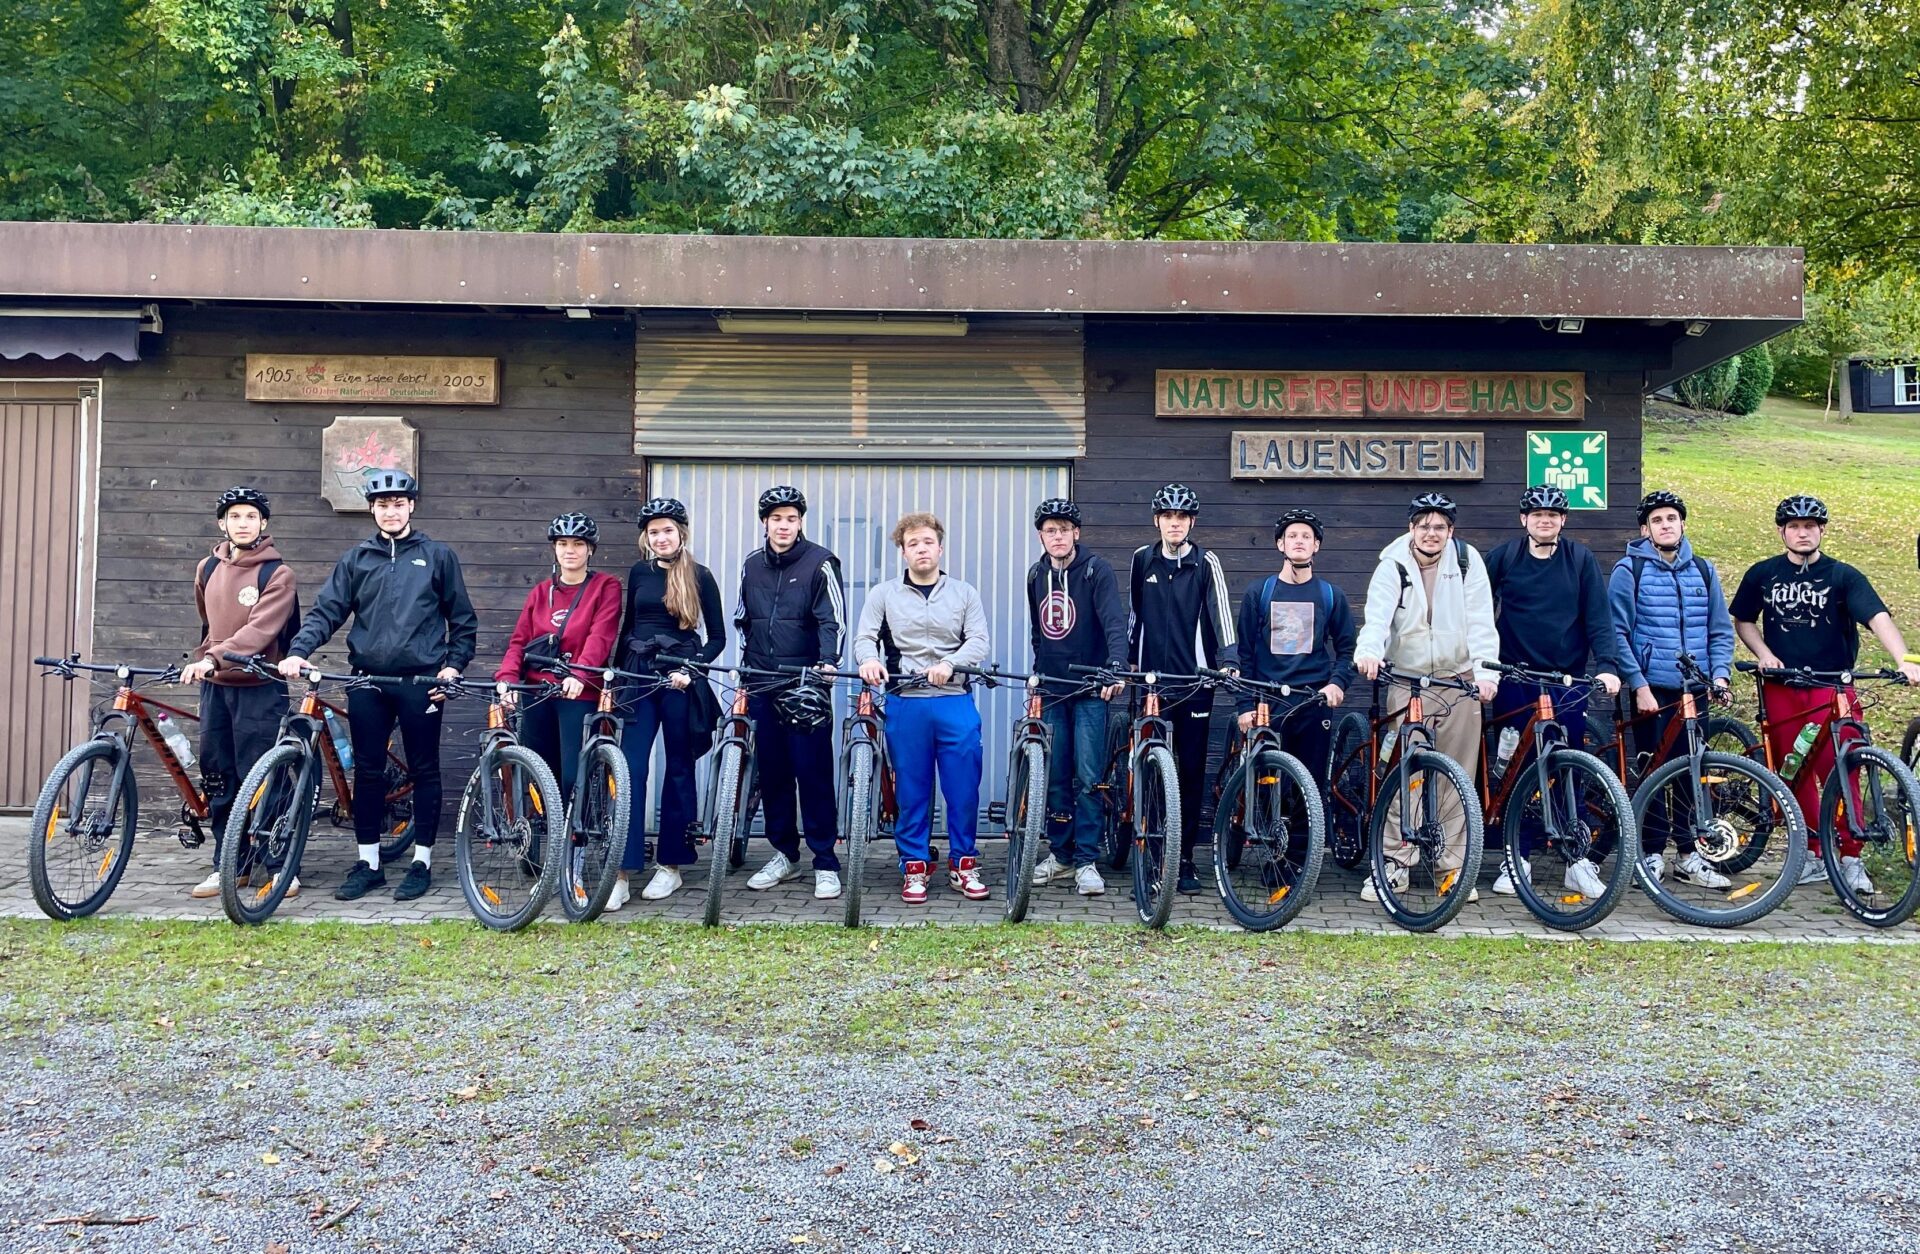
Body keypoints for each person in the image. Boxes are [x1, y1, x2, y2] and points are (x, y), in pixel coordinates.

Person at [280, 468, 477, 902]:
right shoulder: (356, 559)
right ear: (372, 509)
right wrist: (299, 651)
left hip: (420, 680)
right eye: (383, 504)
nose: (391, 511)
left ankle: (422, 861)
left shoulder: (437, 555)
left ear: (411, 506)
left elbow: (462, 620)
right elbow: (326, 611)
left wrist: (453, 666)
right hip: (368, 679)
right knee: (368, 772)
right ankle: (368, 862)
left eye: (399, 503)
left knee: (424, 768)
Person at [1730, 495, 1920, 891]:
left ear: (1821, 531)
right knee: (1794, 771)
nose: (1803, 532)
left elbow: (1876, 616)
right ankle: (1815, 853)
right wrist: (1765, 655)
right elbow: (1743, 619)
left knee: (1844, 768)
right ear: (1782, 531)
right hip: (1783, 688)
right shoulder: (1763, 574)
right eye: (1795, 526)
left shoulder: (1843, 575)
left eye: (1811, 526)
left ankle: (1850, 857)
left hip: (1833, 688)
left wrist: (1905, 658)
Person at [1352, 491, 1499, 904]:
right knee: (1405, 773)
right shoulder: (1392, 565)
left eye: (1440, 527)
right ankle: (1395, 861)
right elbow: (1377, 616)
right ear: (1411, 528)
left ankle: (1452, 866)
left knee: (1458, 774)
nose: (1431, 533)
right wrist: (1369, 652)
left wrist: (1486, 674)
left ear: (1450, 532)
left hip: (1459, 680)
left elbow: (1481, 622)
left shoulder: (1468, 562)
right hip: (1407, 679)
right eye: (1424, 526)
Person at [1481, 485, 1624, 900]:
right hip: (1515, 680)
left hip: (1566, 683)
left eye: (1553, 515)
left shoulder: (1580, 560)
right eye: (1537, 514)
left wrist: (1609, 668)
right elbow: (1476, 611)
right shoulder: (1504, 558)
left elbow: (1599, 618)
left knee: (1567, 770)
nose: (1545, 520)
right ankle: (1516, 857)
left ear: (1563, 521)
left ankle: (1575, 861)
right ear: (1523, 520)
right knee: (1515, 769)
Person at [853, 512, 991, 903]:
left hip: (954, 702)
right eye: (913, 544)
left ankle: (964, 862)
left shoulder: (964, 593)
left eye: (927, 542)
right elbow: (864, 637)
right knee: (912, 790)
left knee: (963, 790)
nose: (921, 549)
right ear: (903, 551)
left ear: (940, 547)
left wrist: (950, 664)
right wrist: (869, 660)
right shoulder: (883, 595)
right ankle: (914, 865)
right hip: (906, 703)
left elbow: (979, 639)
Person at [1606, 489, 1737, 889]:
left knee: (1691, 771)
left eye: (1672, 518)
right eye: (1657, 520)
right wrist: (1638, 685)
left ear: (1682, 524)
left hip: (1694, 689)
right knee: (1651, 772)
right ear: (1645, 529)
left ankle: (1689, 855)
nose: (1665, 525)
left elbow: (1720, 629)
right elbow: (1618, 633)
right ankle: (1648, 853)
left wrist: (1720, 676)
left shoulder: (1703, 569)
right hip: (1653, 689)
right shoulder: (1629, 570)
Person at [179, 486, 298, 899]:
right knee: (219, 776)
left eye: (250, 516)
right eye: (234, 516)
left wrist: (214, 658)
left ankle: (280, 865)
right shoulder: (207, 568)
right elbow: (209, 622)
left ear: (263, 523)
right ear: (222, 523)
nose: (242, 523)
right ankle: (230, 862)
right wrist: (211, 661)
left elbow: (260, 630)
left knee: (264, 775)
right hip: (217, 689)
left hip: (260, 688)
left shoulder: (277, 573)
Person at [736, 485, 847, 900]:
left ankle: (825, 861)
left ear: (800, 522)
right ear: (765, 522)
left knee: (812, 774)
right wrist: (745, 671)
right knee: (775, 773)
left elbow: (832, 620)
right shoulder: (751, 565)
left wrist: (828, 663)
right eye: (777, 518)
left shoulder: (821, 562)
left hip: (805, 684)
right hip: (762, 680)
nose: (784, 526)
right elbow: (744, 619)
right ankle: (785, 853)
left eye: (792, 518)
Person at [494, 512, 622, 869]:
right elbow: (520, 640)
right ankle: (539, 853)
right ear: (554, 548)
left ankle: (574, 857)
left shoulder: (605, 587)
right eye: (563, 544)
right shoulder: (541, 592)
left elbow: (601, 634)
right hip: (538, 692)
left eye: (578, 544)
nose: (570, 550)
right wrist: (506, 677)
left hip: (576, 694)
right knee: (537, 773)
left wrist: (580, 672)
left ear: (590, 550)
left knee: (571, 776)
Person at [1129, 484, 1239, 894]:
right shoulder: (1142, 559)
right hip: (1153, 683)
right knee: (1153, 769)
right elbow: (1135, 617)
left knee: (1190, 772)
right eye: (1167, 517)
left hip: (1195, 683)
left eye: (1182, 518)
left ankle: (1184, 857)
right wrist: (1129, 662)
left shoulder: (1206, 562)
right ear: (1157, 520)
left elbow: (1222, 612)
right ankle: (1153, 851)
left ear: (1191, 522)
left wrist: (1228, 661)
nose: (1174, 524)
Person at [615, 498, 726, 906]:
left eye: (668, 530)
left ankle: (671, 865)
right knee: (630, 767)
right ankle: (622, 870)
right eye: (654, 532)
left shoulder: (700, 576)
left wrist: (692, 669)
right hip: (640, 675)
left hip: (680, 676)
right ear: (647, 537)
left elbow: (717, 637)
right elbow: (629, 624)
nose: (661, 538)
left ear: (681, 533)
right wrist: (615, 675)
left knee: (678, 768)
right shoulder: (639, 572)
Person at [1025, 499, 1129, 897]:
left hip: (1089, 689)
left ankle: (1086, 859)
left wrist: (1115, 666)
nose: (1058, 536)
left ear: (1076, 534)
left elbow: (1114, 622)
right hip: (1052, 689)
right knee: (1056, 776)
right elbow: (1039, 632)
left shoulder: (1094, 570)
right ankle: (1061, 855)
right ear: (1041, 536)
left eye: (1064, 529)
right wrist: (1037, 674)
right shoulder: (1035, 574)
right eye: (1050, 530)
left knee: (1089, 777)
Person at [1233, 509, 1356, 792]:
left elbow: (1348, 649)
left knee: (1309, 789)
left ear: (1316, 545)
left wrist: (1337, 683)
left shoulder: (1331, 595)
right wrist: (1244, 706)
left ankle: (1305, 838)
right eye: (1292, 536)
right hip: (1268, 702)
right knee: (1265, 788)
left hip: (1313, 702)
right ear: (1280, 544)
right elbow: (1245, 654)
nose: (1299, 541)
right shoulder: (1259, 593)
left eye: (1306, 536)